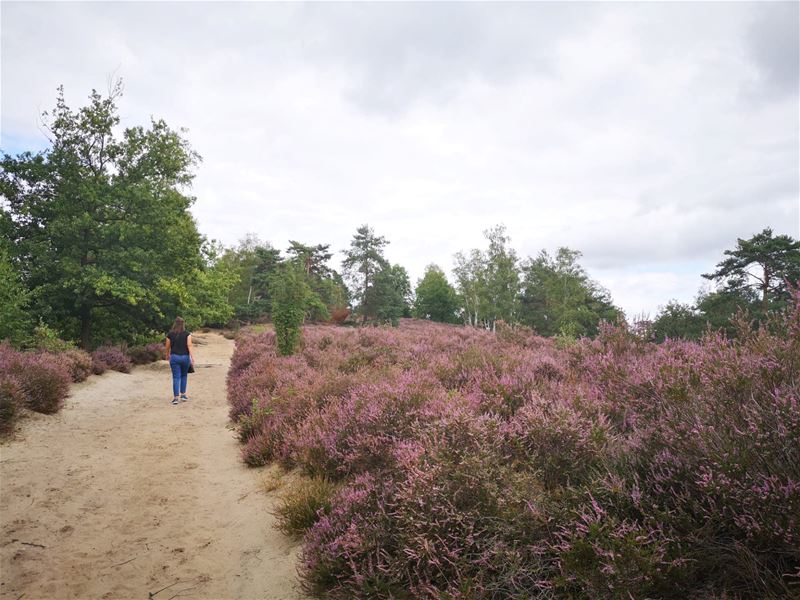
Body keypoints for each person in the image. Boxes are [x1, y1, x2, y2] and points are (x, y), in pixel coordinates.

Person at [165, 317, 195, 405]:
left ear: (175, 323)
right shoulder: (187, 334)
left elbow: (167, 346)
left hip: (174, 357)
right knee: (184, 376)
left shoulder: (170, 334)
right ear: (183, 324)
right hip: (185, 357)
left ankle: (175, 398)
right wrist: (192, 357)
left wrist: (167, 355)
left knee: (176, 377)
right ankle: (183, 395)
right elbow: (189, 345)